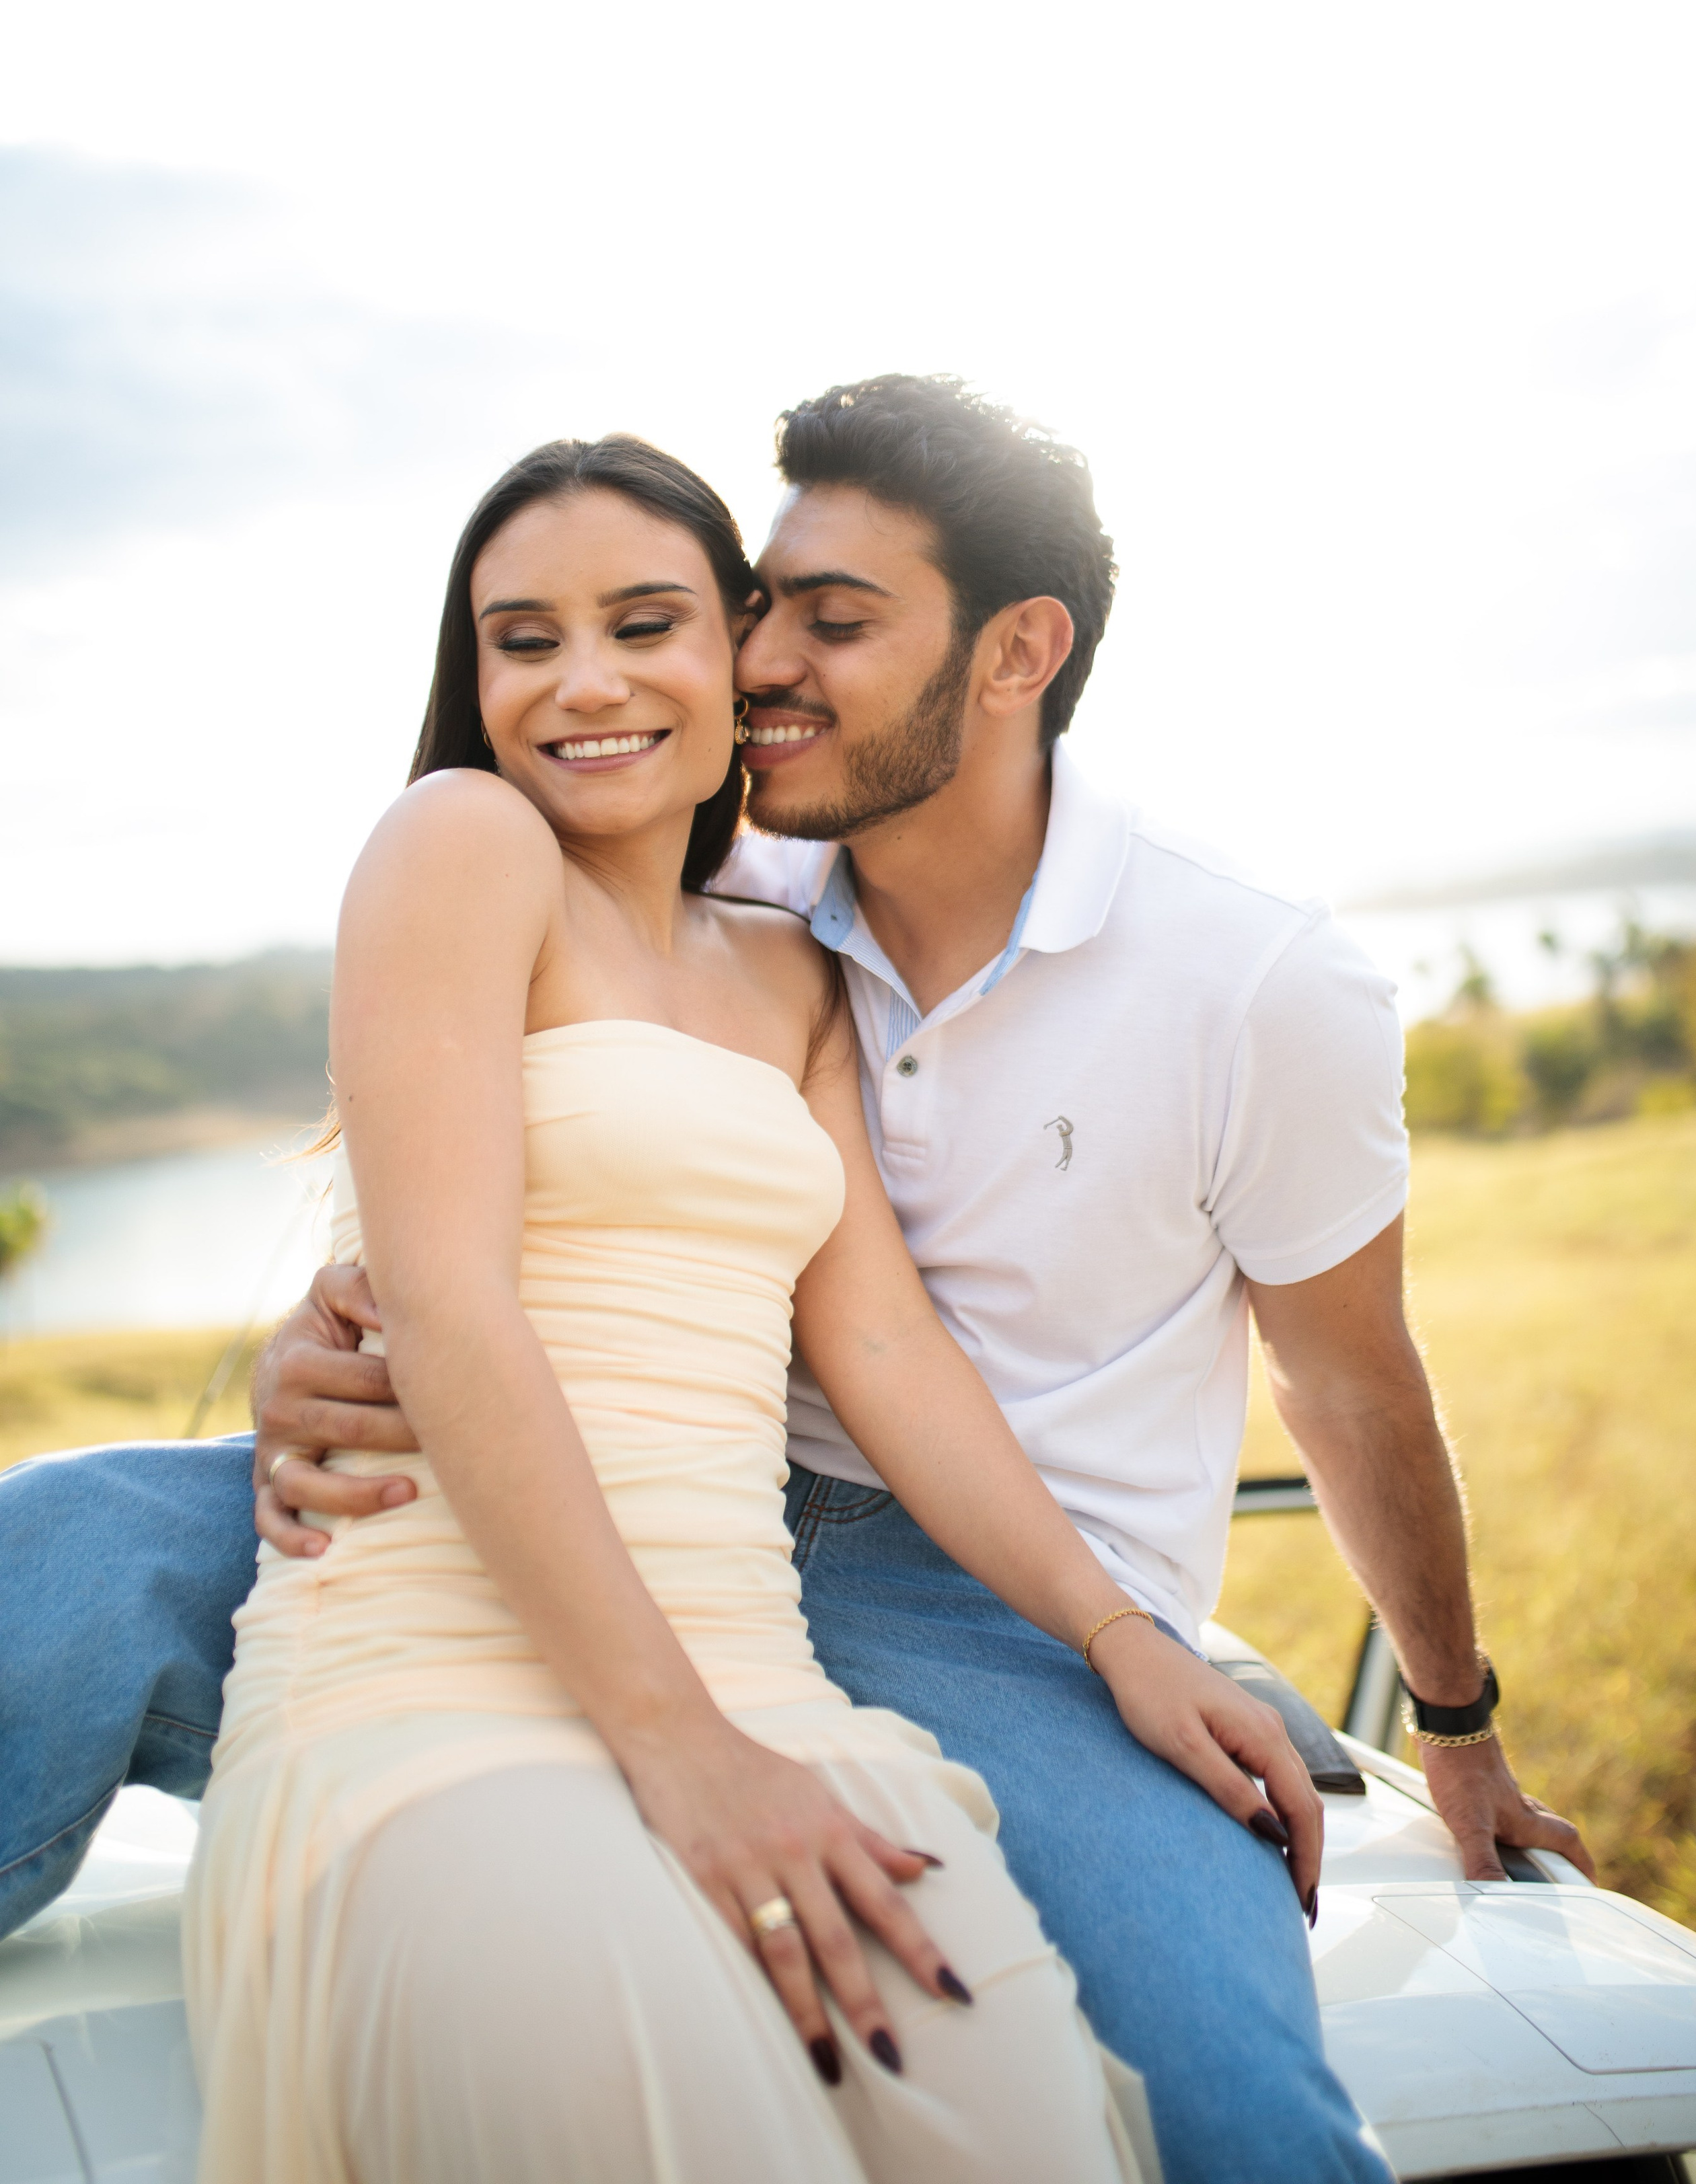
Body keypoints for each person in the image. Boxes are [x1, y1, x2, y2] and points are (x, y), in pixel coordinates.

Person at [0, 377, 1588, 2180]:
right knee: (71, 1543)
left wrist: (1422, 1714)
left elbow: (1324, 1383)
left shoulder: (1243, 977)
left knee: (1236, 2113)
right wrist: (342, 1322)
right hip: (557, 1501)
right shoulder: (690, 834)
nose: (757, 669)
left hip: (955, 1591)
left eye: (823, 624)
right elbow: (465, 1222)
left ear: (1014, 655)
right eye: (758, 610)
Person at [180, 428, 1322, 2184]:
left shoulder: (790, 967)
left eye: (646, 623)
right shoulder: (464, 844)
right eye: (523, 638)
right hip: (446, 1681)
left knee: (1021, 2126)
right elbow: (454, 1304)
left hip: (763, 1679)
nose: (585, 684)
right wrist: (677, 1754)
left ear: (737, 654)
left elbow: (882, 1351)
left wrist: (1119, 1637)